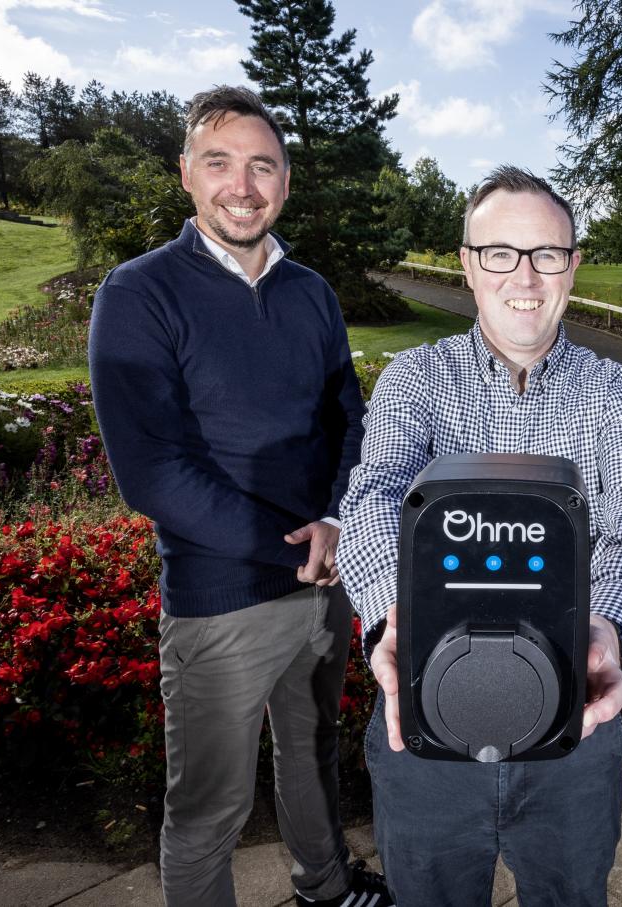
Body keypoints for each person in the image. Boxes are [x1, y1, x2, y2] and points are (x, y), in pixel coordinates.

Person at [337, 165, 622, 907]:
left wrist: (611, 632)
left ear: (572, 264)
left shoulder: (611, 390)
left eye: (546, 253)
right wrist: (396, 619)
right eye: (500, 252)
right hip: (427, 731)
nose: (525, 275)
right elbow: (375, 494)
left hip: (572, 743)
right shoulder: (416, 379)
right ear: (466, 262)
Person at [88, 85, 392, 907]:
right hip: (221, 600)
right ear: (187, 173)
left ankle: (326, 886)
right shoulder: (138, 293)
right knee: (208, 811)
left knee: (313, 753)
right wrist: (298, 548)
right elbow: (152, 472)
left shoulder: (313, 293)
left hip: (323, 586)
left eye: (263, 166)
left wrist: (335, 522)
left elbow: (349, 422)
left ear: (285, 181)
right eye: (220, 163)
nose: (243, 185)